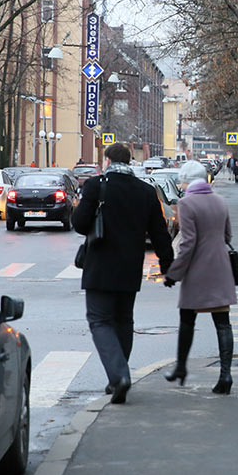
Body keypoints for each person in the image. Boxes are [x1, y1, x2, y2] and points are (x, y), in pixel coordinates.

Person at [72, 142, 174, 404]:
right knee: (123, 321)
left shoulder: (96, 186)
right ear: (129, 161)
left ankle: (119, 376)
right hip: (130, 268)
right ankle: (117, 378)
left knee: (100, 321)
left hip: (100, 267)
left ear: (107, 160)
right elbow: (161, 233)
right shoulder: (145, 191)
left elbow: (81, 225)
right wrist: (167, 266)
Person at [162, 160, 236, 394]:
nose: (181, 184)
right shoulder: (220, 201)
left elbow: (187, 243)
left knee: (187, 320)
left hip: (197, 270)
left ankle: (181, 368)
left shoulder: (187, 203)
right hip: (221, 267)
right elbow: (227, 235)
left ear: (187, 180)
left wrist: (173, 273)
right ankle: (225, 375)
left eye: (182, 180)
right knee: (223, 323)